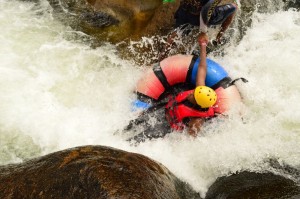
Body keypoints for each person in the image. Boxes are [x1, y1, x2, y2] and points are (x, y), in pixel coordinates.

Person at [125, 40, 246, 143]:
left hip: (166, 126)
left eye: (194, 95)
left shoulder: (197, 120)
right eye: (194, 92)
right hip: (165, 109)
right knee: (133, 122)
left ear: (198, 103)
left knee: (137, 140)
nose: (192, 93)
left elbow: (191, 139)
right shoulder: (200, 90)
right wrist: (203, 45)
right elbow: (202, 68)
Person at [159, 0, 239, 60]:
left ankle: (162, 57)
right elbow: (206, 9)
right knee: (234, 7)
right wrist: (203, 32)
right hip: (197, 17)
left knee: (176, 33)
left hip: (183, 12)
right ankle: (218, 37)